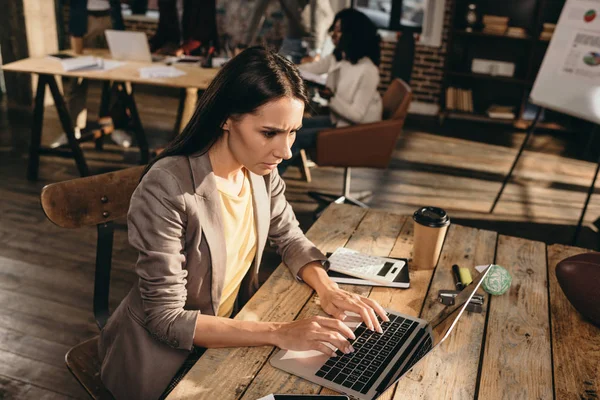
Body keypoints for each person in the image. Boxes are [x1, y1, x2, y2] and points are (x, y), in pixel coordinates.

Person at [97, 47, 388, 400]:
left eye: (293, 132)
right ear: (226, 118)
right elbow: (167, 319)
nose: (286, 151)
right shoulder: (167, 187)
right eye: (270, 133)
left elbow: (290, 237)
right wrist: (280, 331)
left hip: (233, 330)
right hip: (166, 358)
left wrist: (329, 290)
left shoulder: (260, 170)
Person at [278, 8, 383, 174]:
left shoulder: (368, 70)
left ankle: (269, 192)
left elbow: (357, 115)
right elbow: (311, 69)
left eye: (339, 30)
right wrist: (282, 70)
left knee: (292, 139)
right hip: (338, 121)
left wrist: (331, 97)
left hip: (357, 132)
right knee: (288, 129)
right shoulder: (340, 57)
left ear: (352, 33)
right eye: (334, 29)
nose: (333, 34)